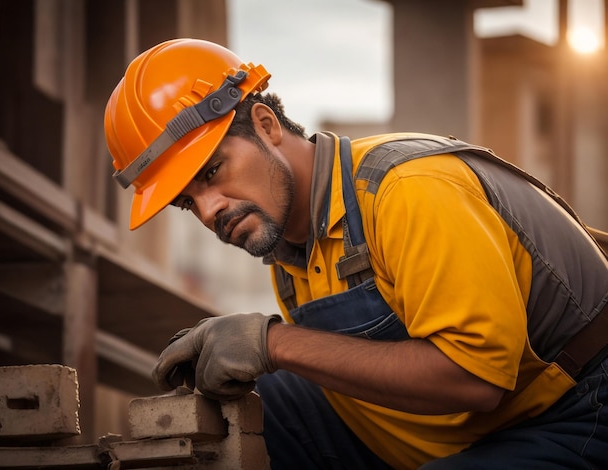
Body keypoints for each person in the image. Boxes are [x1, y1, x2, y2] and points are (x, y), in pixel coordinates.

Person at [104, 38, 608, 469]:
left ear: (265, 124)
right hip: (462, 432)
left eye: (212, 172)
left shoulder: (407, 191)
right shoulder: (289, 245)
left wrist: (273, 343)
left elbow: (475, 379)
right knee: (259, 409)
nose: (210, 209)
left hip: (573, 410)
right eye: (186, 201)